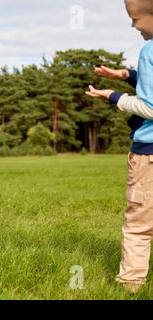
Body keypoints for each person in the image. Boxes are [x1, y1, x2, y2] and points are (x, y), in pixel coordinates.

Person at [86, 0, 153, 294]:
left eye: (135, 19)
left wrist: (113, 96)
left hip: (148, 155)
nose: (132, 25)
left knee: (138, 224)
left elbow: (149, 106)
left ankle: (130, 285)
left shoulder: (149, 51)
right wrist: (125, 74)